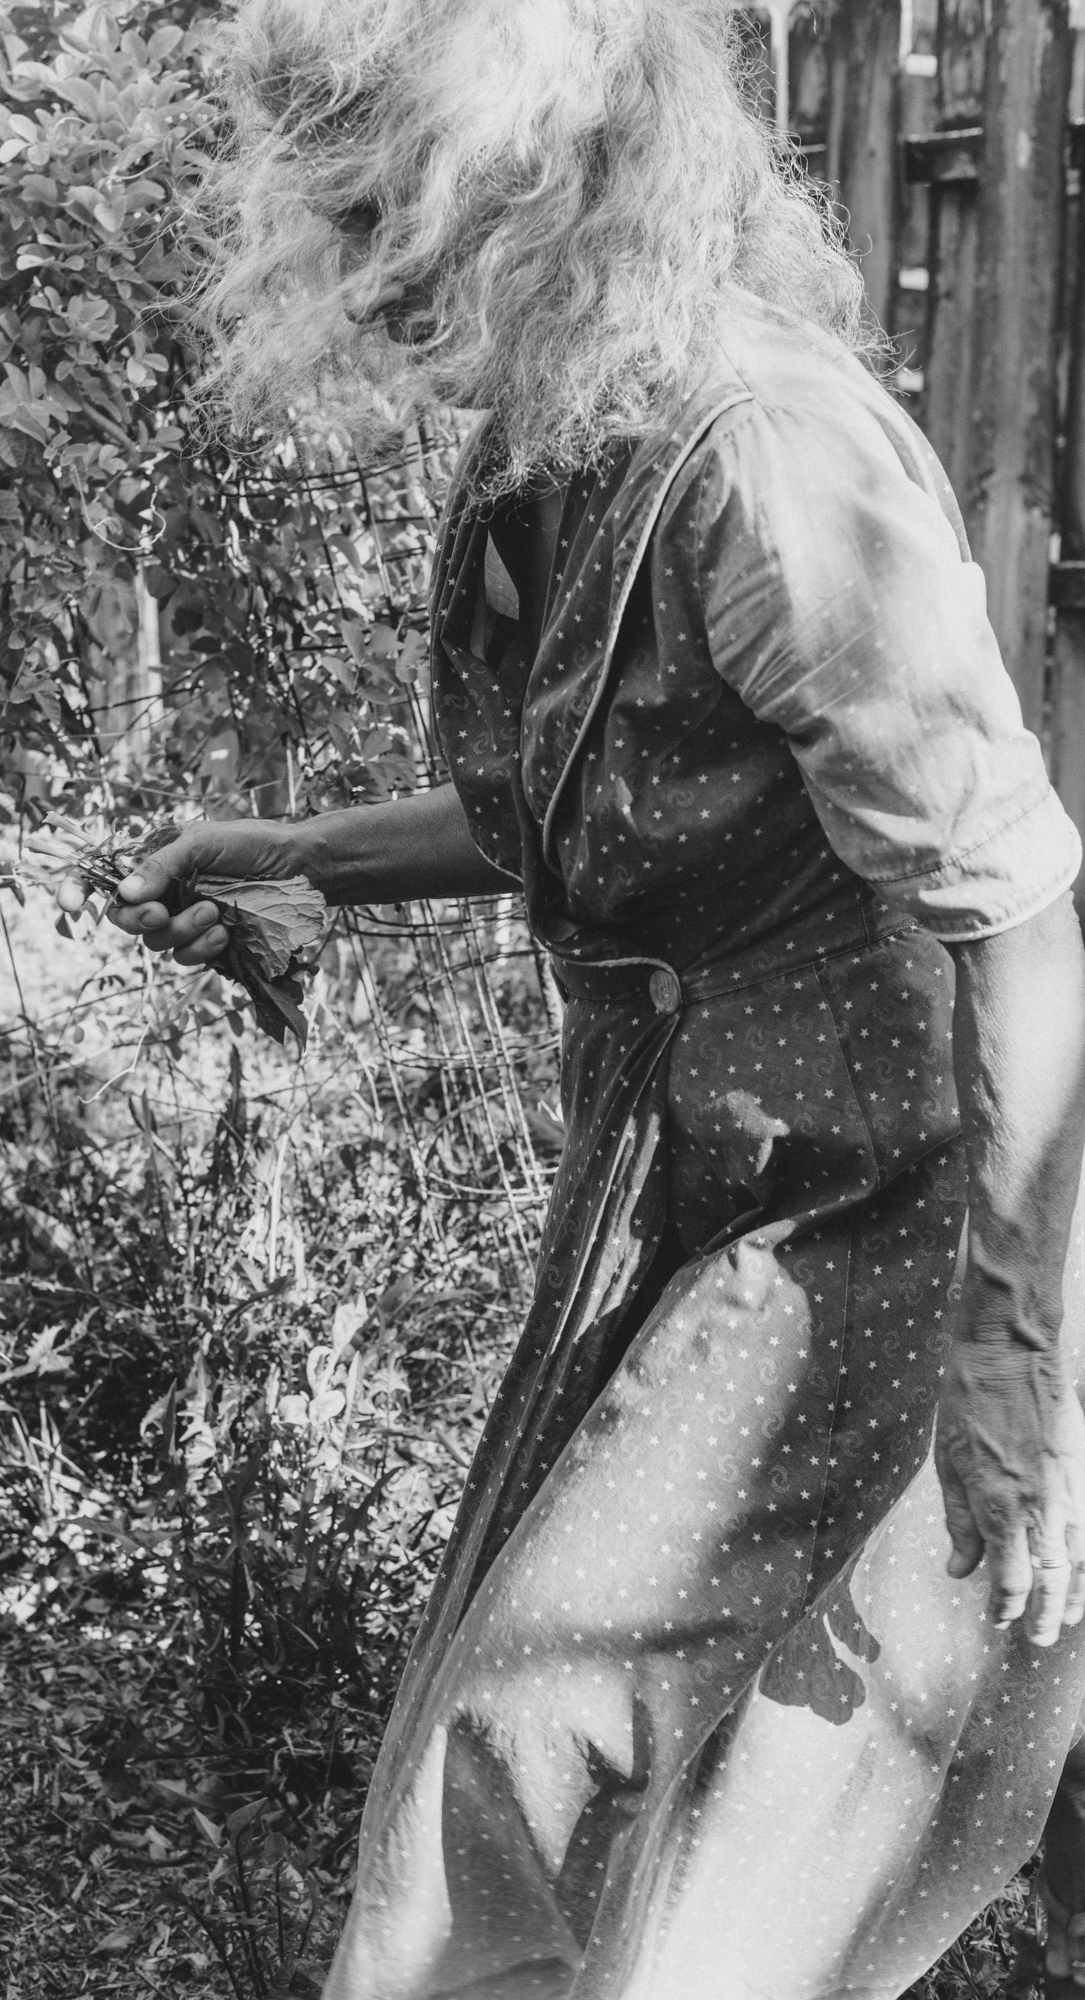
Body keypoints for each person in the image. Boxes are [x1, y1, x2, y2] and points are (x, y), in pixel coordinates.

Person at [59, 1, 1085, 1992]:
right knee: (595, 1762)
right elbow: (572, 800)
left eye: (392, 211)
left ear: (544, 184)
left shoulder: (767, 459)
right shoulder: (573, 442)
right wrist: (293, 848)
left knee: (567, 1746)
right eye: (338, 215)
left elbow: (1019, 913)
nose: (361, 274)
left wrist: (1008, 1350)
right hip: (695, 1190)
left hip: (888, 1220)